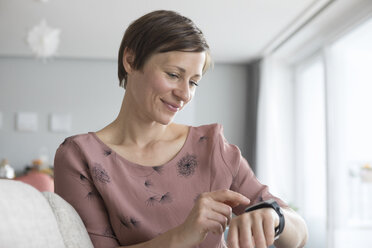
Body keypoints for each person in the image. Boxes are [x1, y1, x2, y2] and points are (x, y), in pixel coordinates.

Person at [54, 10, 308, 248]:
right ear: (130, 61)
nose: (184, 94)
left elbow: (299, 233)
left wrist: (274, 217)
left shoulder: (212, 147)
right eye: (174, 75)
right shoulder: (80, 157)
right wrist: (181, 236)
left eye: (194, 82)